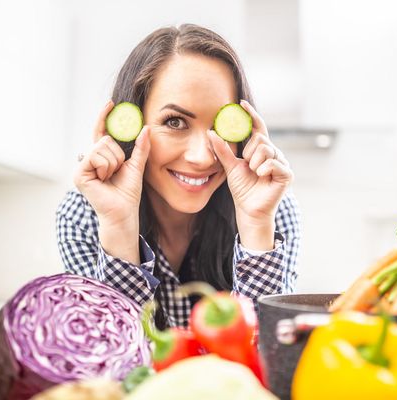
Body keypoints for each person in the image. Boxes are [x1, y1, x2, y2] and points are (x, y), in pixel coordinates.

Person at [56, 24, 301, 329]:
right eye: (174, 121)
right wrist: (118, 226)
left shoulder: (274, 208)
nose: (202, 157)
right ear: (130, 127)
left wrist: (256, 225)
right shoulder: (82, 215)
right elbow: (111, 362)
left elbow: (271, 358)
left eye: (222, 126)